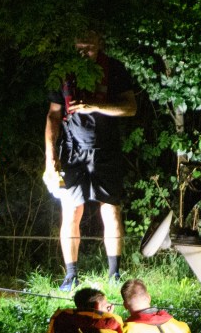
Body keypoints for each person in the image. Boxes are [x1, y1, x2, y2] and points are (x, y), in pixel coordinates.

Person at [44, 30, 137, 290]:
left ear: (101, 44)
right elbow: (53, 115)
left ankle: (115, 274)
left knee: (110, 209)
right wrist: (50, 158)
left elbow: (130, 108)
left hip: (106, 148)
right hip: (72, 150)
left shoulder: (114, 69)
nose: (84, 52)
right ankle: (71, 276)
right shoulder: (63, 71)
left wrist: (94, 105)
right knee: (71, 211)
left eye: (90, 47)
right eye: (79, 46)